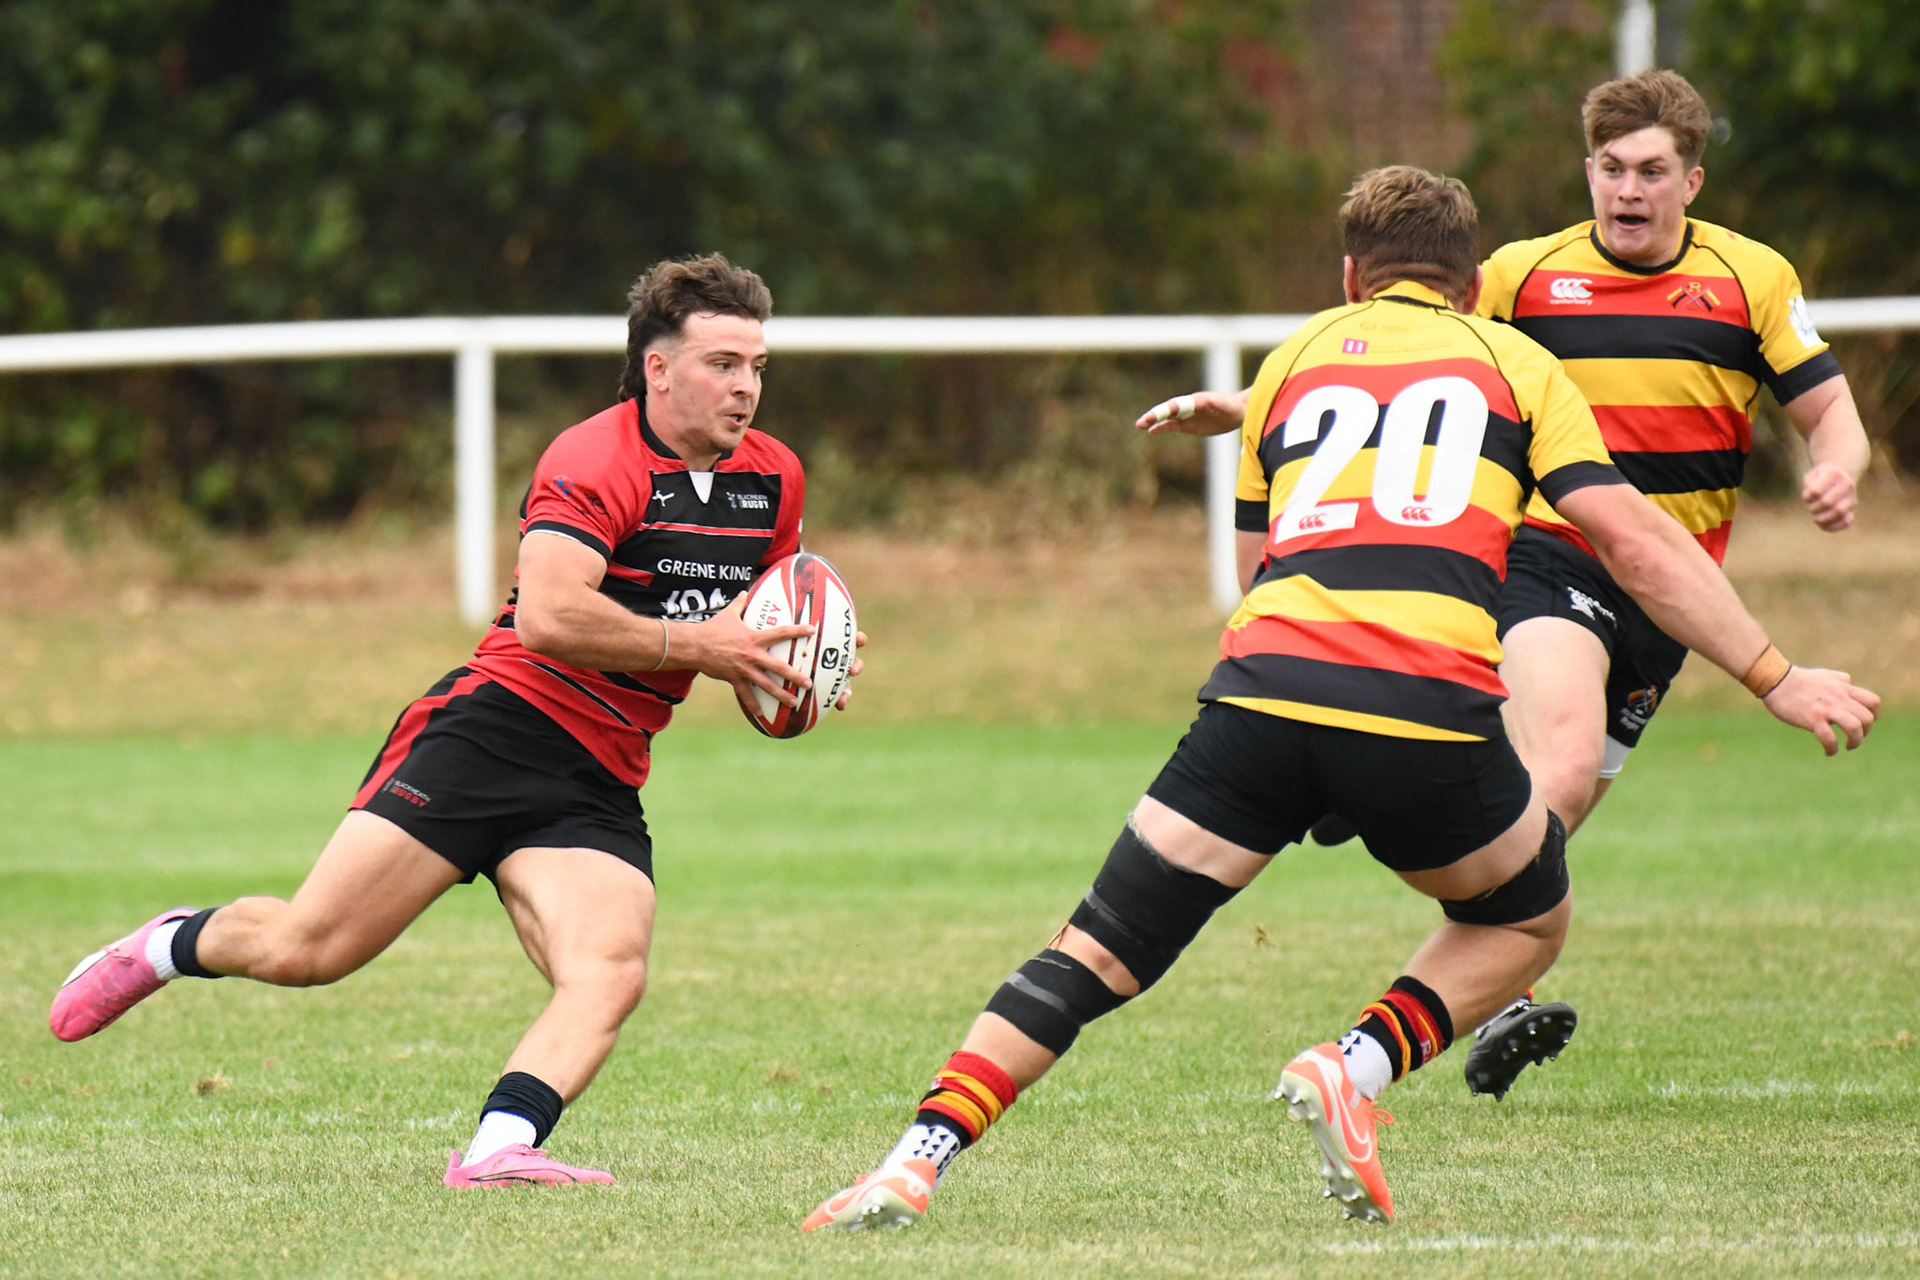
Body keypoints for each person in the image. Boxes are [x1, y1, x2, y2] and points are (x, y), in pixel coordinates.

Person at [804, 166, 1874, 1231]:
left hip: (1262, 694)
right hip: (1422, 705)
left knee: (1092, 949)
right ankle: (1348, 1063)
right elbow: (1636, 543)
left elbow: (1257, 560)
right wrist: (1775, 675)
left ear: (1351, 273)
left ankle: (911, 1159)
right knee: (1525, 916)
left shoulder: (1294, 358)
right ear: (1470, 280)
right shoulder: (1522, 362)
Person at [49, 253, 863, 1188]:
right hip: (493, 730)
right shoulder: (594, 458)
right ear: (659, 368)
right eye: (724, 363)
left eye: (758, 365)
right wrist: (703, 648)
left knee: (609, 968)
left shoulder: (774, 480)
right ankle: (167, 944)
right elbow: (554, 617)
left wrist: (807, 657)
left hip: (598, 776)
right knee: (307, 950)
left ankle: (496, 1151)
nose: (747, 386)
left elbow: (762, 618)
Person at [1136, 69, 1871, 1101]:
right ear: (1588, 171)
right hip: (1550, 553)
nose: (1629, 188)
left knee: (1541, 833)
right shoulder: (1523, 274)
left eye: (1652, 170)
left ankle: (1471, 950)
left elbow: (1831, 413)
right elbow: (1391, 342)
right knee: (1560, 765)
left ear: (1691, 180)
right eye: (1611, 168)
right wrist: (1245, 400)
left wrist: (1841, 464)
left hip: (1672, 595)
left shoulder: (1752, 281)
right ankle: (1415, 903)